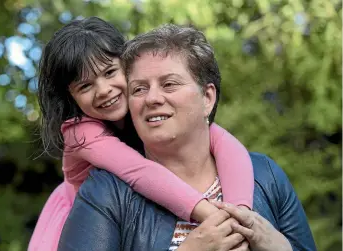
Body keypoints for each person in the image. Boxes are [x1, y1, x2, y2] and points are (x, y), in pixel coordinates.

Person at [57, 24, 317, 250]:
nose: (153, 98)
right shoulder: (104, 191)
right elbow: (139, 172)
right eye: (139, 88)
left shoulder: (266, 175)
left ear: (207, 98)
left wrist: (280, 246)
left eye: (169, 84)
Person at [29, 17, 255, 251]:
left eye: (110, 72)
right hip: (91, 225)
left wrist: (242, 215)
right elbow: (139, 172)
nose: (104, 90)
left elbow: (222, 140)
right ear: (70, 97)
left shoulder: (143, 109)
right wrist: (213, 216)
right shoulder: (79, 132)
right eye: (85, 86)